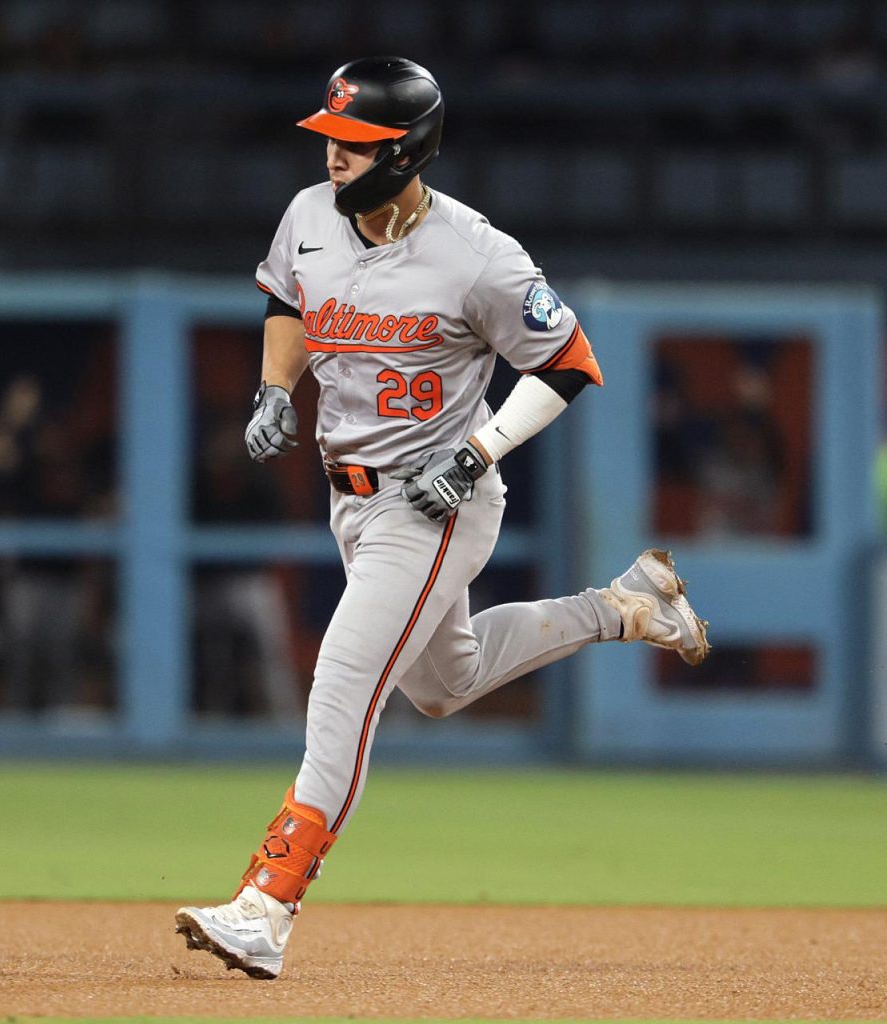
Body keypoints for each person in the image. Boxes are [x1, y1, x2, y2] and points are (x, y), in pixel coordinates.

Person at [173, 57, 710, 980]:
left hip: (436, 504)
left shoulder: (477, 254)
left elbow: (570, 363)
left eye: (357, 143)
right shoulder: (310, 215)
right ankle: (628, 607)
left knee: (345, 677)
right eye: (332, 138)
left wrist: (479, 453)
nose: (335, 155)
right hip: (350, 499)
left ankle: (267, 904)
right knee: (444, 682)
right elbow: (287, 300)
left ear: (407, 151)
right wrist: (274, 388)